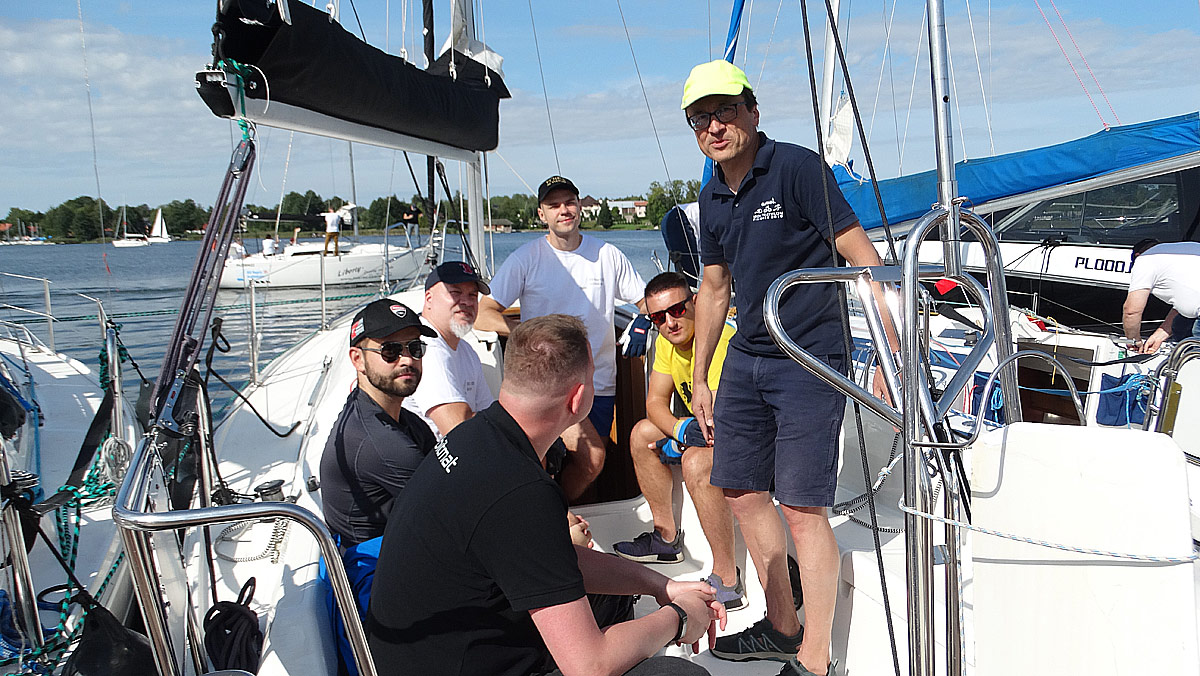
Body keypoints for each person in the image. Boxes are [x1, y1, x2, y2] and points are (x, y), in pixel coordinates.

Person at [682, 60, 893, 676]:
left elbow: (863, 259)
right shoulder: (711, 194)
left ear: (752, 111)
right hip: (746, 357)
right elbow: (714, 287)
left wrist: (890, 353)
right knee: (742, 490)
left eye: (725, 111)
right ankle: (781, 624)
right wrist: (701, 376)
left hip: (809, 358)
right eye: (700, 118)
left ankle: (815, 659)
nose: (714, 126)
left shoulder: (798, 168)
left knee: (802, 508)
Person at [366, 315, 725, 676]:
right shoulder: (521, 492)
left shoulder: (473, 437)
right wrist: (680, 618)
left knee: (612, 600)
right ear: (578, 398)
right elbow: (589, 666)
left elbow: (550, 557)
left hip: (424, 650)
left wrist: (661, 585)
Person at [476, 176, 648, 502]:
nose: (564, 210)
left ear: (579, 206)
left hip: (597, 384)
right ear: (542, 214)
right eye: (554, 205)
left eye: (569, 202)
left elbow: (645, 301)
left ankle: (562, 515)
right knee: (572, 459)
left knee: (589, 468)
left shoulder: (607, 254)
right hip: (546, 386)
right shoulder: (526, 258)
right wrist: (530, 336)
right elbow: (484, 313)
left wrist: (643, 321)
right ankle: (552, 516)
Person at [612, 272, 744, 612]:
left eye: (677, 310)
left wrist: (684, 442)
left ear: (696, 303)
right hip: (706, 430)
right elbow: (655, 402)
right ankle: (665, 539)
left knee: (695, 462)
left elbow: (722, 421)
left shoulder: (721, 341)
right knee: (641, 434)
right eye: (658, 317)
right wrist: (680, 430)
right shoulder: (667, 343)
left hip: (746, 438)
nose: (669, 322)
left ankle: (728, 579)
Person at [319, 298, 438, 547]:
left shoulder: (402, 420)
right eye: (390, 351)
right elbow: (455, 512)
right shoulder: (378, 442)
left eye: (415, 348)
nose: (407, 360)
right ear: (358, 360)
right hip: (376, 562)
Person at [403, 261, 496, 438]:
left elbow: (488, 411)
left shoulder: (467, 351)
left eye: (472, 295)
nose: (466, 302)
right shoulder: (425, 347)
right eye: (455, 293)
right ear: (429, 299)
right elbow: (457, 429)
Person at [1122, 238, 1200, 353]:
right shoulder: (1185, 250)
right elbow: (1189, 300)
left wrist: (1133, 340)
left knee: (1194, 357)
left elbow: (1131, 311)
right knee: (1179, 323)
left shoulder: (1144, 260)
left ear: (1137, 255)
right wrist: (1158, 336)